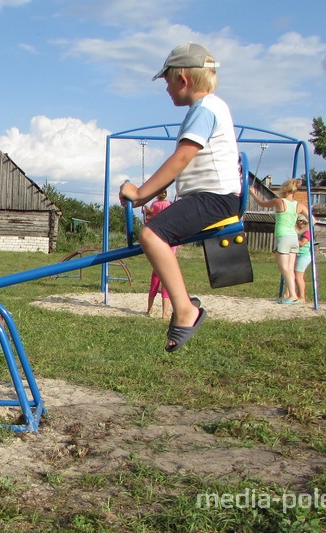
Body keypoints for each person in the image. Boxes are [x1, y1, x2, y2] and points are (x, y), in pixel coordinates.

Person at [120, 42, 241, 352]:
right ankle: (184, 306)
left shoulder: (204, 110)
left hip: (214, 198)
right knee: (155, 234)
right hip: (214, 196)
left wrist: (141, 195)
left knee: (151, 235)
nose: (167, 90)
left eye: (167, 82)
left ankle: (185, 309)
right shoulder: (213, 108)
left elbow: (181, 159)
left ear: (183, 79)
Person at [249, 179, 310, 304]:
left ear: (284, 189)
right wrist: (300, 231)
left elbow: (262, 203)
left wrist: (253, 193)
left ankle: (293, 295)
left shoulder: (279, 202)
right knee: (290, 268)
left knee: (284, 268)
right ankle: (287, 294)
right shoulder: (299, 205)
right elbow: (313, 221)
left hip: (283, 237)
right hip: (293, 238)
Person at [143, 190, 177, 319]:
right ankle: (165, 313)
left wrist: (147, 210)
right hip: (169, 243)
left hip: (157, 238)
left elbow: (150, 216)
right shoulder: (169, 204)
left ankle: (149, 309)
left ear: (158, 195)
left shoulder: (155, 204)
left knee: (155, 280)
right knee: (167, 283)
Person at [294, 214, 312, 303]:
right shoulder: (301, 231)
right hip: (300, 255)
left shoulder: (307, 232)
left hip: (304, 256)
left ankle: (302, 297)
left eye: (299, 222)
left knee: (298, 277)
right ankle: (297, 295)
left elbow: (302, 243)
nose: (298, 223)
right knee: (296, 277)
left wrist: (292, 241)